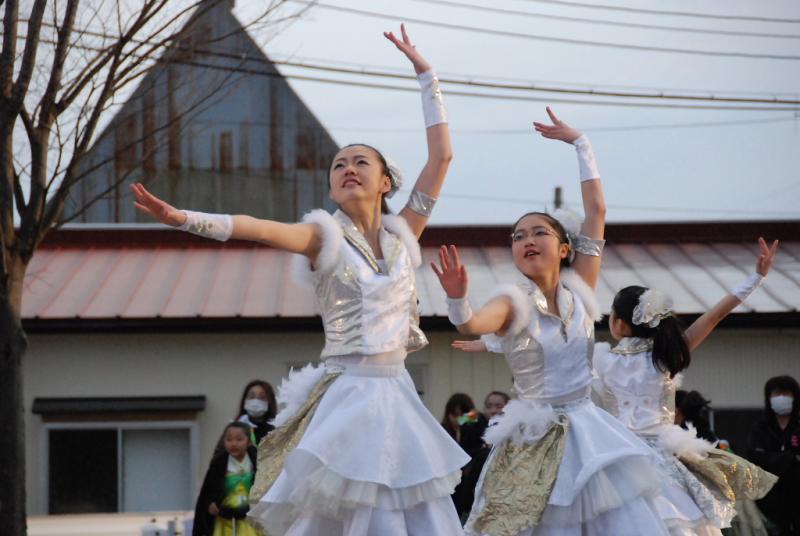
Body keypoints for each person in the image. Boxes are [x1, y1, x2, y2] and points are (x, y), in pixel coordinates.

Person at [133, 24, 468, 535]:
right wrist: (186, 219)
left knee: (410, 514)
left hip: (397, 390)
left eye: (361, 161)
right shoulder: (323, 235)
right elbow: (259, 228)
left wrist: (427, 75)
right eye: (339, 164)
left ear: (385, 182)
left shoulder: (405, 232)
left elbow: (442, 158)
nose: (348, 168)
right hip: (349, 394)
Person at [433, 107, 669, 535]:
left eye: (538, 232)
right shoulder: (512, 299)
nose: (527, 240)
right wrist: (457, 300)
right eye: (518, 236)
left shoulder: (581, 287)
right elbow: (472, 323)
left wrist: (581, 144)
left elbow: (596, 211)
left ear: (564, 248)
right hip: (534, 434)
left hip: (588, 430)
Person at [592, 237, 780, 535]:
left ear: (619, 323)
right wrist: (756, 277)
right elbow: (715, 315)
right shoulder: (665, 355)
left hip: (617, 456)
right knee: (679, 522)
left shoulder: (600, 359)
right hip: (665, 457)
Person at [748, 375, 800, 535]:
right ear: (768, 398)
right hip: (769, 499)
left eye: (786, 393)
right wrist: (789, 458)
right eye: (777, 394)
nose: (781, 398)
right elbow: (754, 457)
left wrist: (774, 458)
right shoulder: (760, 428)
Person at [194, 422, 260, 536]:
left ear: (248, 441)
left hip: (251, 518)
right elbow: (208, 490)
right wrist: (210, 504)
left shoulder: (258, 461)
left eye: (239, 439)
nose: (233, 444)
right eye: (229, 439)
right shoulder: (218, 463)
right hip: (225, 518)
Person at [441, 393, 490, 520]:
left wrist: (461, 422)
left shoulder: (476, 419)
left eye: (462, 413)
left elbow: (478, 419)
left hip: (470, 468)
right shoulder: (444, 428)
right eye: (454, 414)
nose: (458, 418)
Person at [215, 380, 277, 456]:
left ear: (269, 402)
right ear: (244, 401)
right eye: (251, 397)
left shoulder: (275, 430)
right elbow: (218, 459)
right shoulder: (234, 429)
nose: (256, 401)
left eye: (262, 397)